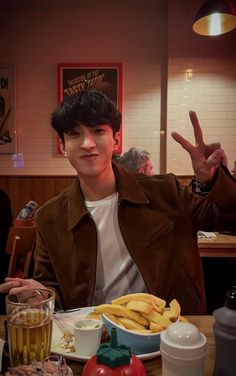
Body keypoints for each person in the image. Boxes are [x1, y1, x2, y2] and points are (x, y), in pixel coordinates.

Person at [0, 90, 236, 315]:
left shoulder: (166, 192)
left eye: (98, 131)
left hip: (168, 334)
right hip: (91, 338)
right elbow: (51, 287)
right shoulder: (49, 217)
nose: (87, 143)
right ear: (63, 146)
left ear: (116, 140)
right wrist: (41, 295)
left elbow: (230, 218)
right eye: (74, 134)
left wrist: (212, 180)